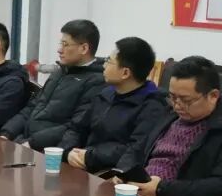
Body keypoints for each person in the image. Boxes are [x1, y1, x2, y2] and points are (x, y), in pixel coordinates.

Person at [116, 55, 222, 196]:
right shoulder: (170, 114)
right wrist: (123, 172)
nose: (177, 106)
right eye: (172, 97)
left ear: (213, 96)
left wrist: (161, 190)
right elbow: (138, 148)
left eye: (186, 100)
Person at [57, 36, 166, 173]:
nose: (103, 66)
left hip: (108, 174)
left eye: (109, 61)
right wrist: (68, 152)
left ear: (125, 73)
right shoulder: (106, 94)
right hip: (81, 164)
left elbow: (134, 150)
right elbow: (77, 128)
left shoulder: (151, 107)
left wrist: (90, 156)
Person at [0, 19, 105, 149]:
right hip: (25, 140)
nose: (59, 50)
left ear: (84, 48)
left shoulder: (97, 82)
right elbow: (32, 106)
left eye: (65, 44)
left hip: (50, 150)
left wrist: (32, 143)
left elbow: (75, 127)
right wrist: (7, 133)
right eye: (61, 43)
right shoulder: (59, 72)